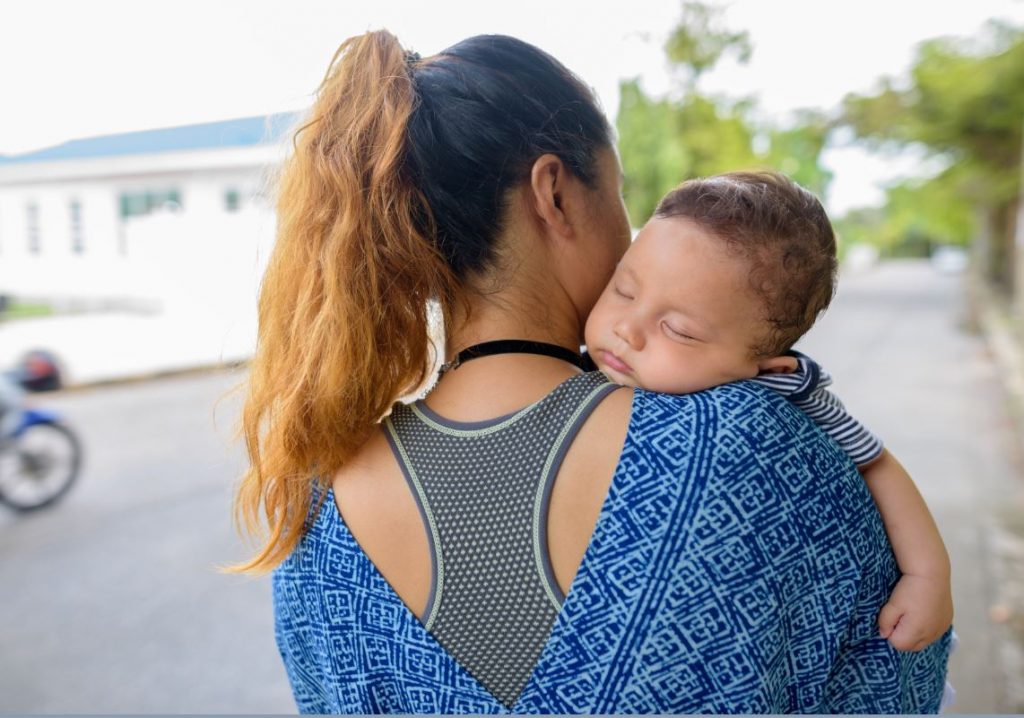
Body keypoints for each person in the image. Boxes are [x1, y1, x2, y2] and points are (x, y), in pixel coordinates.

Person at [230, 30, 951, 713]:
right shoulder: (751, 444)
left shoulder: (313, 519)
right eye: (619, 190)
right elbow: (892, 673)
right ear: (555, 194)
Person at [583, 171, 954, 654]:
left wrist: (929, 574)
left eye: (677, 328)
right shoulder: (571, 357)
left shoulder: (786, 388)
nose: (626, 329)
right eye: (623, 290)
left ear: (763, 367)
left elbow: (875, 462)